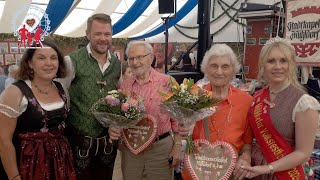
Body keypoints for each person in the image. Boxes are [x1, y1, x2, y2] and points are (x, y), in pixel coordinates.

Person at [241, 37, 320, 179]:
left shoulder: (304, 102)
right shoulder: (257, 97)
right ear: (263, 65)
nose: (278, 66)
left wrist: (268, 168)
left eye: (283, 61)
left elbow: (303, 153)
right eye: (271, 61)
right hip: (255, 170)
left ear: (292, 64)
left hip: (286, 173)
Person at [0, 39, 76, 180]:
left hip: (59, 162)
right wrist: (14, 176)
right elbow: (3, 141)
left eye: (53, 58)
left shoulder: (61, 89)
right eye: (41, 58)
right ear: (29, 63)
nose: (49, 63)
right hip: (28, 165)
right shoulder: (15, 92)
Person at [108, 40, 182, 180]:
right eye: (131, 58)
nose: (135, 62)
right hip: (131, 150)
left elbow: (177, 119)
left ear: (151, 58)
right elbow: (119, 116)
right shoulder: (125, 85)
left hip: (160, 149)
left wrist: (177, 146)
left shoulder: (167, 82)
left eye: (140, 57)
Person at [179, 44, 254, 180]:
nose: (219, 72)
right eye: (214, 66)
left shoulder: (246, 101)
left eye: (225, 66)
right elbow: (182, 132)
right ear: (206, 69)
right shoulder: (192, 96)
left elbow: (247, 143)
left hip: (229, 174)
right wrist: (182, 131)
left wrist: (246, 157)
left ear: (233, 71)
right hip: (195, 173)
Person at [61, 13, 121, 180]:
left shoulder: (117, 64)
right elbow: (60, 96)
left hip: (107, 141)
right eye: (98, 34)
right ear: (88, 34)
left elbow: (121, 98)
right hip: (79, 139)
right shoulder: (71, 61)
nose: (103, 38)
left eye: (107, 34)